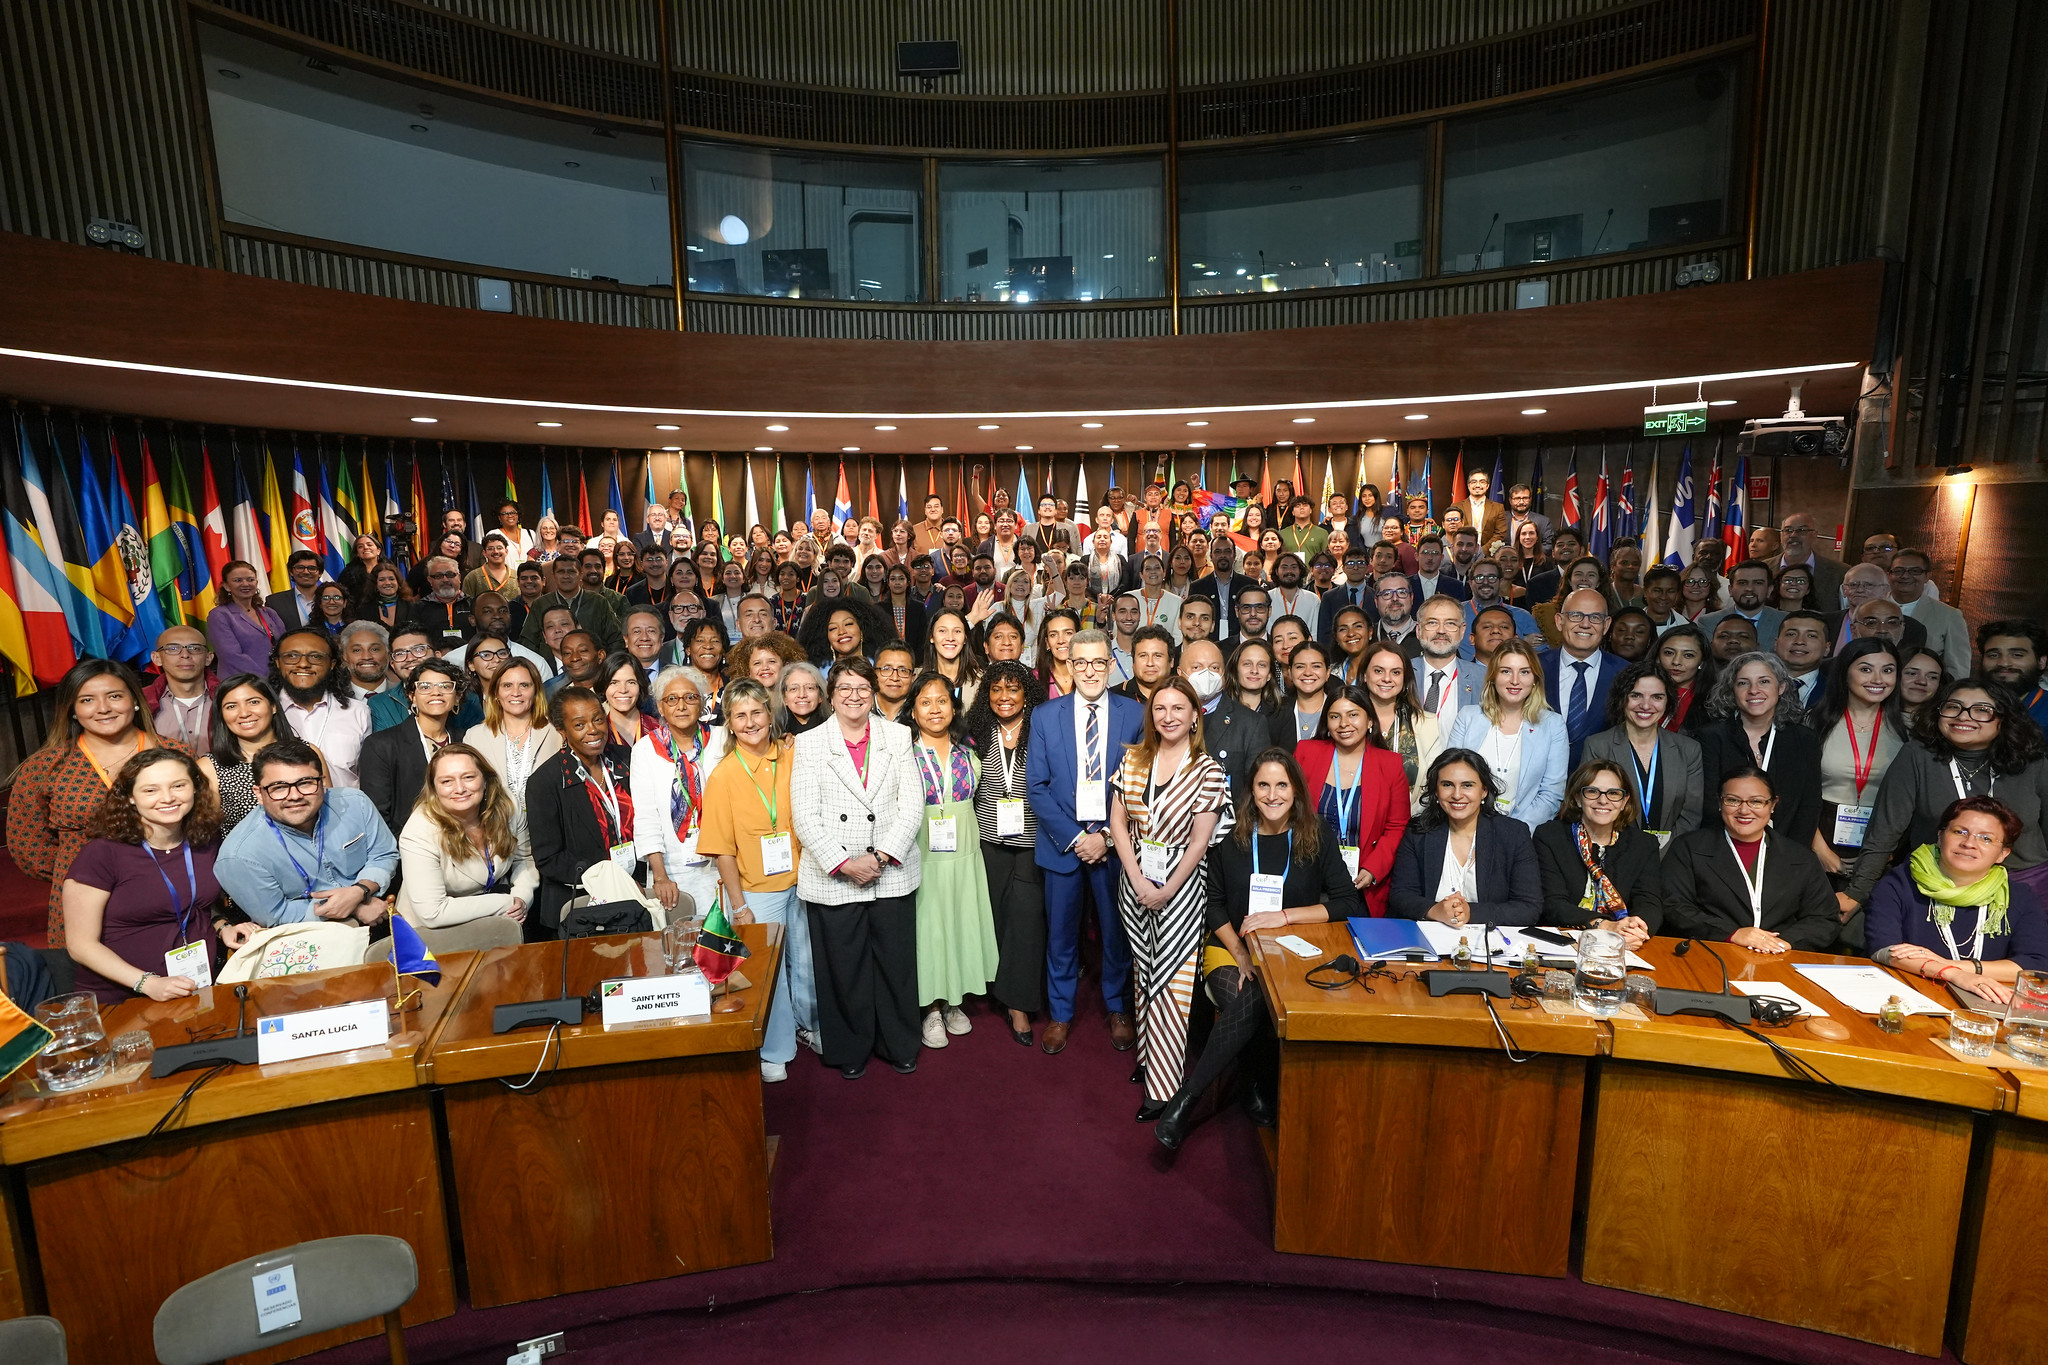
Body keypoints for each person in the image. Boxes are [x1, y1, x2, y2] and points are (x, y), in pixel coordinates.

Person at [1153, 747, 1359, 1151]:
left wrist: (1284, 917)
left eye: (1281, 785)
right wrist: (1242, 952)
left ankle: (1230, 1086)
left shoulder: (1315, 835)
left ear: (1296, 790)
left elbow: (1347, 902)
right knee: (1254, 997)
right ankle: (1199, 1098)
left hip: (1291, 951)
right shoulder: (1233, 840)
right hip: (1230, 949)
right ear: (1251, 791)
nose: (1272, 794)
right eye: (1263, 785)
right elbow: (1213, 904)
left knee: (1259, 997)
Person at [791, 659, 925, 1078]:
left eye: (862, 687)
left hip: (890, 869)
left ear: (874, 692)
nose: (854, 695)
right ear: (830, 696)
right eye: (845, 688)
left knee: (895, 964)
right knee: (843, 969)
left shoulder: (899, 735)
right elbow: (804, 815)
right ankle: (850, 1048)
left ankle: (899, 1042)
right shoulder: (811, 743)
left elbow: (912, 805)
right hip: (835, 875)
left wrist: (881, 857)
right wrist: (846, 864)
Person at [1109, 677, 1231, 1120]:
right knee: (1144, 973)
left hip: (1181, 885)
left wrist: (1165, 888)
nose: (1169, 716)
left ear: (1195, 714)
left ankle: (1163, 1090)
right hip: (1135, 878)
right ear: (1151, 715)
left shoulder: (1208, 770)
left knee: (1172, 982)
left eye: (1179, 708)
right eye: (1160, 709)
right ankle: (1149, 1058)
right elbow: (1118, 823)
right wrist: (1138, 878)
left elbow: (1201, 841)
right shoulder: (1134, 760)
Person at [10, 659, 185, 946]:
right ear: (73, 710)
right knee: (91, 988)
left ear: (135, 700)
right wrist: (83, 876)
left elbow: (200, 823)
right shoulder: (46, 766)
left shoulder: (175, 753)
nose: (103, 708)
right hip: (83, 906)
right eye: (87, 700)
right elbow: (28, 846)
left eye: (115, 696)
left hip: (167, 894)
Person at [1026, 629, 1142, 1056]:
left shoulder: (1135, 714)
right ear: (1068, 666)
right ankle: (1060, 1012)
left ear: (1111, 665)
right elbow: (1036, 787)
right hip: (1063, 847)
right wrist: (1078, 838)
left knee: (1116, 933)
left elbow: (1142, 786)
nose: (1090, 671)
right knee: (1061, 936)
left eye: (1098, 663)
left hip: (1116, 849)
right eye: (1081, 663)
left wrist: (1108, 838)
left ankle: (1117, 1007)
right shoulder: (1045, 716)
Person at [1843, 678, 2048, 914]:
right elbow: (1884, 832)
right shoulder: (1917, 756)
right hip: (1936, 885)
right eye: (1953, 707)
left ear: (2005, 719)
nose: (1963, 716)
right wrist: (1857, 892)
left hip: (2024, 886)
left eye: (1981, 710)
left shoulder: (2032, 763)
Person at [61, 749, 240, 1005]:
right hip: (121, 999)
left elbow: (195, 902)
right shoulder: (102, 852)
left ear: (195, 789)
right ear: (130, 798)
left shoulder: (205, 840)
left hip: (194, 990)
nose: (167, 798)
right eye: (150, 790)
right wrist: (147, 982)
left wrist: (222, 926)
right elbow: (80, 945)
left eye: (178, 786)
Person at [700, 678, 811, 1079]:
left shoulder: (793, 753)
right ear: (729, 723)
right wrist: (740, 906)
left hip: (806, 877)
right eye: (740, 715)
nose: (750, 722)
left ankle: (812, 1027)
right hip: (756, 890)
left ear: (771, 713)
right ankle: (777, 1048)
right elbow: (721, 849)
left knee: (808, 961)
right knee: (771, 971)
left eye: (757, 712)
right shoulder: (723, 776)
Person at [1866, 796, 2048, 1002]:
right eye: (1959, 832)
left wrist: (1962, 968)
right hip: (1909, 997)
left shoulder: (2019, 897)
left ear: (2003, 853)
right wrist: (1953, 974)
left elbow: (2036, 964)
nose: (1969, 843)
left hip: (1986, 1004)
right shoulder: (1899, 883)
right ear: (1941, 835)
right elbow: (1883, 949)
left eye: (1986, 838)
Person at [903, 670, 1000, 1049]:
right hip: (923, 858)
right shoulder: (904, 756)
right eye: (925, 702)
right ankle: (930, 1007)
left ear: (954, 706)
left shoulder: (969, 754)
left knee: (960, 924)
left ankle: (955, 999)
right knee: (930, 930)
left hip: (964, 857)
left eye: (942, 700)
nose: (934, 709)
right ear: (913, 711)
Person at [214, 738, 397, 928]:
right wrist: (354, 907)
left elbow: (384, 854)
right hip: (306, 936)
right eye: (279, 787)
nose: (294, 796)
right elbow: (275, 914)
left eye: (306, 783)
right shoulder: (239, 855)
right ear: (259, 794)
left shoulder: (355, 803)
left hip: (381, 909)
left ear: (322, 784)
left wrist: (360, 891)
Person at [962, 661, 1049, 1047]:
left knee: (1027, 921)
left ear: (1027, 694)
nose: (1004, 697)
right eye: (996, 690)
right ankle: (991, 988)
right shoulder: (975, 731)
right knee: (993, 916)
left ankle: (1019, 1003)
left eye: (1013, 689)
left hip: (1031, 843)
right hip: (987, 841)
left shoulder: (1042, 730)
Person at [1662, 767, 1838, 952]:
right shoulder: (1689, 847)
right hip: (1710, 953)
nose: (1744, 810)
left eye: (1756, 802)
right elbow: (1674, 905)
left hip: (1778, 959)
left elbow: (1824, 918)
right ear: (1719, 803)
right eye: (1733, 800)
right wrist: (1732, 933)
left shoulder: (1801, 858)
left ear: (1773, 805)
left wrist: (1782, 942)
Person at [1806, 638, 1908, 947]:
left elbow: (1911, 800)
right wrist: (1820, 850)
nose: (1878, 680)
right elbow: (1798, 794)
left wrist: (1888, 850)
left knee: (1867, 936)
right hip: (1818, 832)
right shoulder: (1814, 722)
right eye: (1866, 669)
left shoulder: (1909, 729)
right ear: (1844, 673)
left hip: (1884, 836)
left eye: (1887, 670)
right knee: (1817, 932)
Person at [524, 688, 639, 940]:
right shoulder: (545, 782)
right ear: (562, 731)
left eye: (598, 719)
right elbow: (548, 858)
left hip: (636, 892)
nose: (593, 729)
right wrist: (608, 878)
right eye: (579, 724)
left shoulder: (626, 760)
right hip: (580, 907)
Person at [1387, 749, 1542, 927]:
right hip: (1428, 937)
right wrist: (1434, 910)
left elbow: (1529, 907)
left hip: (1489, 942)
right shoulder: (1418, 832)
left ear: (1484, 790)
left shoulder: (1513, 834)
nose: (1457, 795)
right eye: (1447, 785)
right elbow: (1401, 894)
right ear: (1436, 791)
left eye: (1467, 785)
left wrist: (1471, 912)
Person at [1292, 685, 1410, 914]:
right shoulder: (1307, 752)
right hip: (1308, 878)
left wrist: (1374, 868)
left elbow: (1397, 827)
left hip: (1362, 882)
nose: (1344, 723)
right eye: (1335, 716)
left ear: (1370, 721)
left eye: (1353, 715)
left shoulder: (1390, 764)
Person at [395, 744, 536, 932]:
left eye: (468, 777)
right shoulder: (419, 831)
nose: (460, 788)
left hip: (496, 921)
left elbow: (524, 859)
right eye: (447, 781)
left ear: (485, 779)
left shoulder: (507, 806)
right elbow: (433, 912)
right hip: (430, 934)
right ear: (434, 788)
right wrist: (505, 902)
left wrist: (522, 897)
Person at [1532, 760, 1665, 947]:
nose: (1603, 800)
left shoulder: (1643, 844)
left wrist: (1635, 930)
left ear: (1624, 801)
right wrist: (1605, 925)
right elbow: (1552, 903)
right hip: (1564, 939)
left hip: (1625, 943)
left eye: (1614, 793)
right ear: (1578, 798)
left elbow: (1649, 901)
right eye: (1592, 792)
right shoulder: (1550, 836)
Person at [632, 665, 726, 926]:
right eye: (672, 699)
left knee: (721, 948)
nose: (681, 706)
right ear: (661, 708)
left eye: (690, 697)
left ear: (703, 704)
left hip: (721, 864)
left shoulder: (723, 739)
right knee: (679, 949)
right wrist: (660, 876)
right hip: (673, 870)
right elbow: (646, 816)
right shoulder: (645, 750)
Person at [1698, 651, 1824, 846]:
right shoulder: (1711, 737)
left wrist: (1790, 855)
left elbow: (1808, 806)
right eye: (1743, 683)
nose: (1753, 690)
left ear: (1781, 687)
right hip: (1722, 848)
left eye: (1764, 681)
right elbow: (1708, 805)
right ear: (1732, 689)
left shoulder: (1804, 740)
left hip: (1786, 851)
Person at [1447, 639, 1568, 831]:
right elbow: (1449, 778)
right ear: (1493, 676)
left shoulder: (1553, 725)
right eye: (1506, 671)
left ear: (1535, 679)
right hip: (1464, 829)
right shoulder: (1468, 717)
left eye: (1524, 672)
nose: (1515, 680)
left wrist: (1514, 833)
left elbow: (1551, 794)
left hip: (1522, 835)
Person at [1582, 662, 1706, 840]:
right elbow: (1593, 807)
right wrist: (1634, 853)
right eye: (1636, 695)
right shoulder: (1598, 746)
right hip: (1616, 852)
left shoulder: (1688, 749)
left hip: (1673, 854)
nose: (1646, 705)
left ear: (1668, 701)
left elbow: (1691, 815)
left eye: (1657, 697)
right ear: (1622, 699)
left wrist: (1663, 851)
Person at [357, 657, 467, 841]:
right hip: (409, 848)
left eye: (445, 686)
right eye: (425, 687)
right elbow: (377, 814)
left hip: (464, 844)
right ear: (411, 696)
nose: (436, 693)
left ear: (457, 696)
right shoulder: (381, 745)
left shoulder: (467, 740)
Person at [200, 674, 318, 836]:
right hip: (244, 859)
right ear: (221, 715)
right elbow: (207, 832)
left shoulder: (307, 752)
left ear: (273, 706)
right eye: (231, 706)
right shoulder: (210, 767)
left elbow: (327, 813)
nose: (244, 713)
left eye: (253, 702)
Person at [272, 628, 370, 789]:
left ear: (332, 664)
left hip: (345, 811)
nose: (303, 664)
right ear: (278, 662)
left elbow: (368, 775)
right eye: (292, 656)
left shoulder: (358, 712)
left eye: (316, 657)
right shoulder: (263, 712)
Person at [1540, 588, 1626, 770]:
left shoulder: (1626, 674)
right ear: (1559, 621)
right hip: (1536, 783)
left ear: (1606, 625)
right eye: (1576, 615)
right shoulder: (1533, 668)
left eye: (1595, 617)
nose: (1585, 624)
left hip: (1600, 786)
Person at [466, 658, 561, 822]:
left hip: (548, 827)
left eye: (524, 685)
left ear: (536, 690)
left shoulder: (556, 732)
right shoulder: (474, 736)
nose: (516, 692)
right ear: (496, 692)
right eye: (507, 685)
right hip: (496, 831)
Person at [1412, 596, 1485, 734]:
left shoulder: (1483, 678)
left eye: (1450, 623)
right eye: (1432, 623)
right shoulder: (1401, 673)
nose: (1441, 631)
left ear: (1462, 631)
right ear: (1418, 630)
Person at [207, 560, 288, 681]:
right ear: (226, 586)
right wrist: (265, 681)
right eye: (238, 580)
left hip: (278, 681)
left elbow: (286, 645)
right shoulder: (219, 616)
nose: (245, 584)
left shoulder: (269, 613)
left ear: (256, 583)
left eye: (250, 579)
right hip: (241, 684)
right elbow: (232, 657)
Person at [145, 625, 217, 751]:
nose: (185, 655)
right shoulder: (140, 701)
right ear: (156, 658)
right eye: (173, 648)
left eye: (195, 648)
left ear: (208, 658)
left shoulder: (230, 698)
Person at [1701, 560, 1785, 652]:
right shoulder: (1708, 622)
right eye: (1742, 583)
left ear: (1769, 590)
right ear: (1730, 590)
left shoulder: (1785, 621)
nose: (1749, 588)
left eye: (1758, 583)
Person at [1773, 511, 1847, 612]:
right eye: (1788, 530)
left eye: (1802, 530)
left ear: (1814, 535)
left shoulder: (1840, 572)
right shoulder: (1765, 568)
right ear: (1781, 536)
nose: (1793, 535)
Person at [1280, 640, 1336, 745]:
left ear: (1328, 673)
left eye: (1316, 666)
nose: (1308, 673)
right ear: (1290, 673)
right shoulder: (1276, 711)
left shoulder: (1339, 710)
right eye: (1300, 666)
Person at [775, 660, 828, 735]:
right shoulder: (775, 732)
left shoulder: (835, 728)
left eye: (810, 688)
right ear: (784, 697)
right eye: (793, 689)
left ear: (820, 695)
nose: (802, 695)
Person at [1898, 646, 1947, 727]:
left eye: (1932, 677)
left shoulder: (1944, 725)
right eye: (1912, 673)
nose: (1922, 681)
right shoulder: (1873, 719)